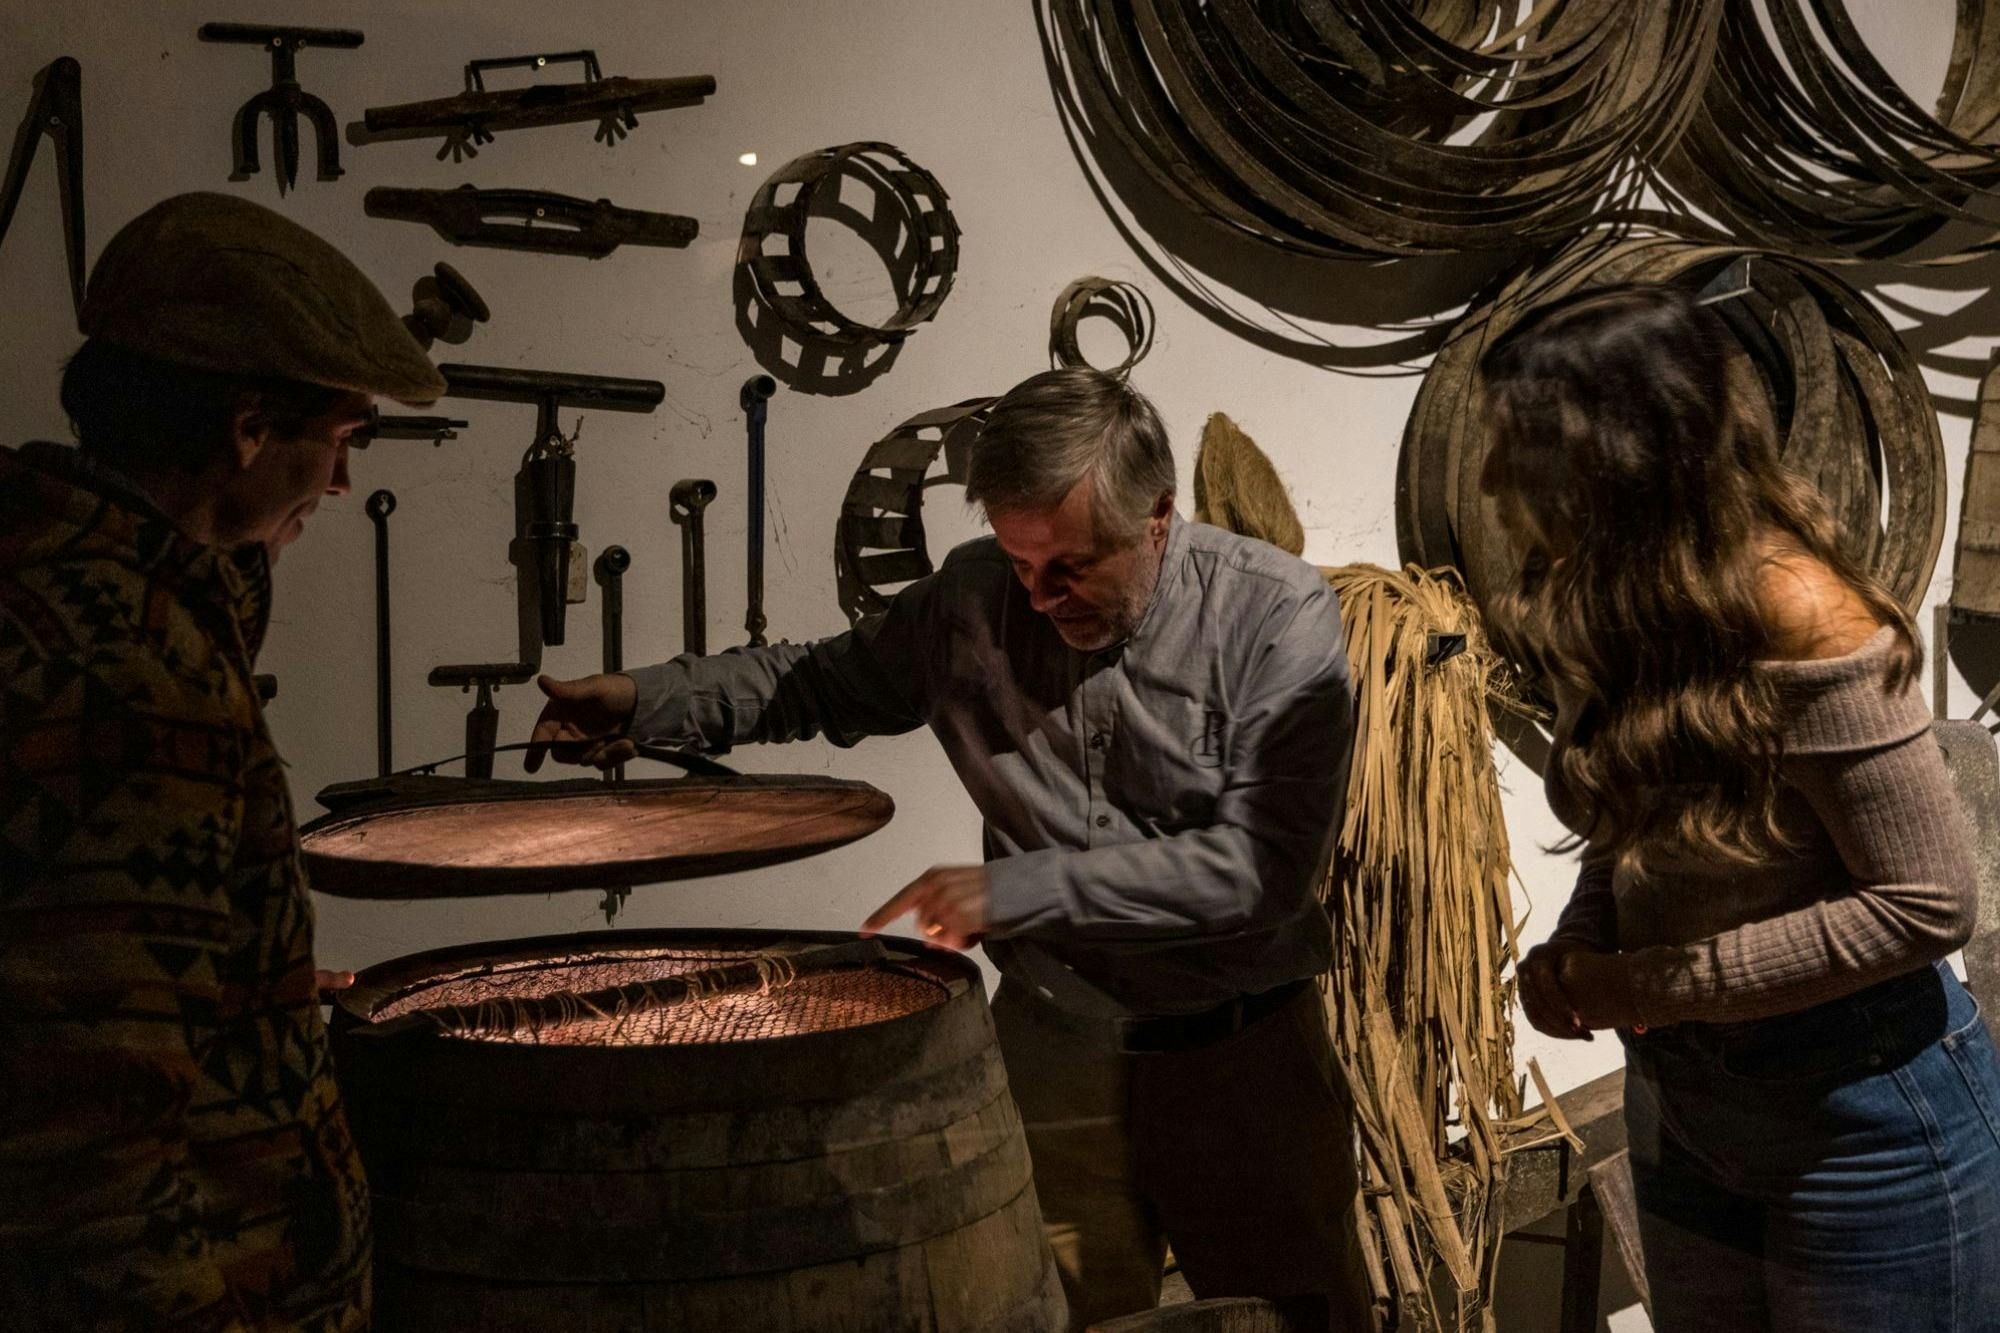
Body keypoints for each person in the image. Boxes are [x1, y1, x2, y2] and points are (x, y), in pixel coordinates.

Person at [526, 366, 1373, 1330]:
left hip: (1241, 1062)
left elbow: (1262, 868)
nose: (1044, 597)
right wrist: (647, 702)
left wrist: (1019, 891)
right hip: (1057, 1049)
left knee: (1296, 1315)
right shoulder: (972, 597)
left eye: (1074, 566)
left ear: (1159, 517)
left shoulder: (1276, 615)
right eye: (1022, 564)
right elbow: (818, 683)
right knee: (1061, 1315)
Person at [1484, 284, 2000, 1331]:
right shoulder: (1613, 597)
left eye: (1520, 447)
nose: (1493, 478)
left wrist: (1644, 980)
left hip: (1861, 1120)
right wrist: (1583, 939)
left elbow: (1926, 903)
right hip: (1686, 1102)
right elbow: (1635, 824)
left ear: (1621, 455)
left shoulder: (1802, 614)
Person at [0, 193, 445, 1328]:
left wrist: (251, 982)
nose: (338, 485)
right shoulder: (135, 676)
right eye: (336, 440)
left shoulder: (54, 573)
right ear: (249, 429)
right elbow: (87, 1154)